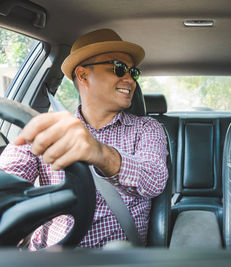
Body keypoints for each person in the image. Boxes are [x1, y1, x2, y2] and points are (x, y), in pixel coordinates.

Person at [0, 29, 169, 250]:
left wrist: (99, 153)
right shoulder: (50, 129)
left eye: (133, 72)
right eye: (119, 68)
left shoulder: (147, 128)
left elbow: (154, 180)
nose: (130, 80)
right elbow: (8, 177)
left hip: (118, 259)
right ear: (83, 75)